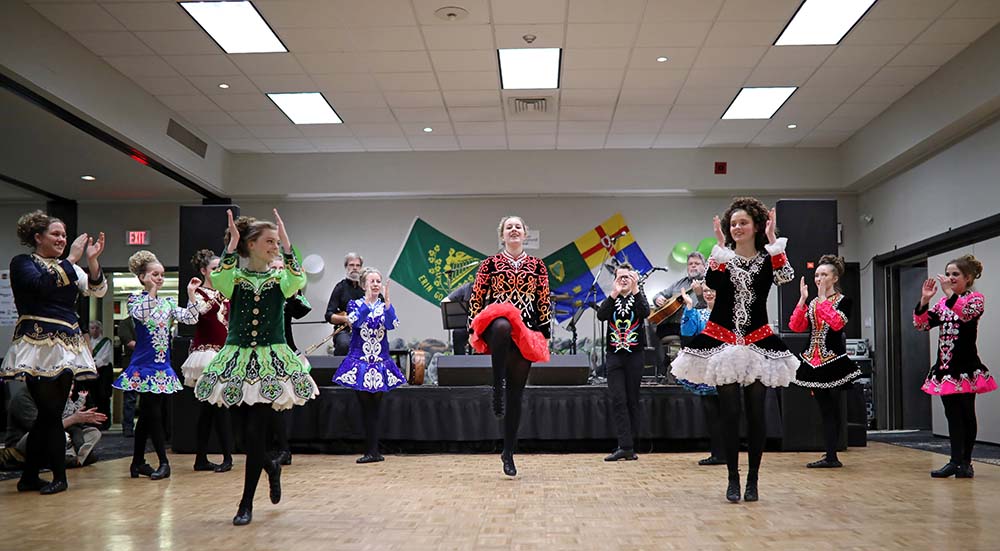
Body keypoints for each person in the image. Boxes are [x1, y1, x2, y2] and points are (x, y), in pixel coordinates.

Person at [195, 209, 319, 526]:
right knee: (243, 437)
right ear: (251, 245)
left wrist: (288, 247)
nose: (274, 247)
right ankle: (270, 466)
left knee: (255, 432)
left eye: (277, 242)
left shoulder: (280, 279)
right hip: (237, 358)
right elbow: (220, 279)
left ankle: (245, 503)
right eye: (270, 241)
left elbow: (298, 280)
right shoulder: (234, 278)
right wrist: (230, 245)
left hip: (269, 361)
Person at [671, 197, 797, 503]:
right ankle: (732, 478)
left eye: (743, 223)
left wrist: (773, 242)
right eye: (733, 224)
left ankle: (753, 479)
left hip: (758, 340)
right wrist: (719, 248)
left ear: (756, 225)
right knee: (729, 414)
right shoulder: (723, 258)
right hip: (723, 339)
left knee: (757, 413)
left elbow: (785, 277)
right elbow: (712, 282)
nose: (737, 228)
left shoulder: (768, 257)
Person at [1, 210, 106, 494]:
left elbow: (96, 290)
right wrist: (71, 259)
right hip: (37, 343)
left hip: (67, 345)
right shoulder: (23, 263)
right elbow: (40, 285)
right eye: (55, 234)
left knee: (51, 413)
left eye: (64, 235)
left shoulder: (69, 267)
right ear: (38, 237)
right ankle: (59, 477)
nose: (62, 239)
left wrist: (92, 261)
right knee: (49, 412)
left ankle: (30, 477)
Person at [468, 215, 551, 477]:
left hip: (525, 329)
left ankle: (508, 452)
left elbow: (543, 299)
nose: (513, 230)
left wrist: (544, 333)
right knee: (503, 323)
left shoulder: (537, 266)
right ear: (502, 235)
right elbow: (477, 296)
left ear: (525, 234)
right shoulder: (490, 264)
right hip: (496, 325)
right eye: (508, 227)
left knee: (516, 395)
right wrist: (472, 328)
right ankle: (497, 385)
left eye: (518, 227)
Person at [113, 250, 201, 481]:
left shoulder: (167, 303)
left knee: (148, 415)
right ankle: (163, 461)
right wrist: (151, 290)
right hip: (144, 366)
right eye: (155, 274)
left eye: (162, 275)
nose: (160, 278)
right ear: (142, 277)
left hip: (162, 366)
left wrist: (191, 294)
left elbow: (191, 318)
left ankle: (137, 463)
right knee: (153, 415)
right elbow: (142, 315)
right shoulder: (135, 300)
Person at [914, 254, 995, 478]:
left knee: (967, 413)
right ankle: (954, 460)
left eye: (955, 274)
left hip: (966, 366)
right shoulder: (943, 304)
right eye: (948, 274)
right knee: (952, 415)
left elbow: (966, 314)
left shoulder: (975, 299)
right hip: (945, 367)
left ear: (967, 278)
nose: (950, 278)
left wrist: (949, 293)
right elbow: (922, 325)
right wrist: (924, 300)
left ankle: (966, 462)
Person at [790, 255, 862, 468]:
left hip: (834, 361)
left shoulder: (844, 301)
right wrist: (803, 300)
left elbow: (837, 323)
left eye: (824, 274)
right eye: (816, 275)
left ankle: (832, 455)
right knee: (824, 409)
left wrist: (822, 299)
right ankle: (830, 454)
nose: (819, 278)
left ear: (835, 278)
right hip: (813, 361)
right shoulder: (813, 303)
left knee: (833, 409)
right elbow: (796, 326)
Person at [332, 267, 405, 463]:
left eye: (378, 281)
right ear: (364, 285)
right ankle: (371, 450)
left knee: (375, 408)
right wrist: (367, 302)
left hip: (380, 362)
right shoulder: (354, 304)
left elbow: (392, 324)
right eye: (372, 281)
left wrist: (388, 304)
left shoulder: (384, 306)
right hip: (361, 363)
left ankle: (374, 451)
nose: (375, 284)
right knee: (365, 408)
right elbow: (355, 322)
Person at [180, 249, 234, 473]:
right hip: (207, 355)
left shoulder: (226, 293)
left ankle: (202, 458)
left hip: (224, 352)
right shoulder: (199, 292)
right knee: (215, 407)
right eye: (214, 268)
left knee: (211, 409)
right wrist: (192, 294)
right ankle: (226, 457)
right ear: (203, 271)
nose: (218, 271)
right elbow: (197, 315)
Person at [597, 264, 649, 462]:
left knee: (632, 399)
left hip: (635, 356)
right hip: (614, 357)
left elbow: (645, 312)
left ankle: (630, 446)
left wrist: (636, 289)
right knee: (618, 399)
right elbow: (601, 315)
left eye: (628, 277)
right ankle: (625, 446)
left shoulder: (638, 297)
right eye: (620, 277)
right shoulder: (612, 299)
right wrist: (614, 292)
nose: (624, 280)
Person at [677, 284, 726, 466]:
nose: (709, 293)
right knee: (711, 412)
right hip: (707, 369)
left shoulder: (729, 314)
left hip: (727, 368)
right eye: (706, 291)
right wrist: (689, 307)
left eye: (713, 290)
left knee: (728, 412)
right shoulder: (698, 314)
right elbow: (687, 336)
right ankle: (718, 453)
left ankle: (726, 452)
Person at [5, 382, 107, 469]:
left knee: (93, 433)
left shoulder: (52, 394)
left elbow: (62, 421)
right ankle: (70, 458)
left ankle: (74, 457)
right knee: (46, 434)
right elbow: (40, 428)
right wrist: (73, 419)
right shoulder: (23, 397)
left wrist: (81, 418)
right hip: (25, 443)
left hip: (57, 435)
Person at [271, 254, 313, 466]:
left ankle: (284, 449)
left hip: (286, 352)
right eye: (275, 268)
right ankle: (272, 446)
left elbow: (302, 311)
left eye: (282, 268)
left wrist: (295, 293)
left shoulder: (288, 294)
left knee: (281, 402)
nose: (279, 271)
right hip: (264, 352)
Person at [652, 251, 707, 339]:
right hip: (668, 325)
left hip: (692, 326)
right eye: (690, 264)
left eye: (697, 263)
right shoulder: (679, 283)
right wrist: (658, 298)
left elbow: (707, 310)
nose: (693, 266)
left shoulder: (708, 284)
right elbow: (659, 295)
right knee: (649, 332)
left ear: (704, 267)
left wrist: (700, 295)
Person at [325, 253, 365, 355]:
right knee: (345, 344)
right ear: (346, 267)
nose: (355, 268)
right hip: (344, 330)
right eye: (351, 265)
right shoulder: (340, 287)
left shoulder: (367, 288)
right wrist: (346, 319)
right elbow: (329, 315)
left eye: (358, 265)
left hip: (365, 330)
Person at [82, 320, 113, 429]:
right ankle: (92, 422)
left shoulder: (106, 342)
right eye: (92, 328)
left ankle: (105, 422)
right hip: (90, 372)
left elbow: (104, 358)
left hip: (103, 372)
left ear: (100, 329)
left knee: (103, 397)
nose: (94, 330)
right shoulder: (86, 342)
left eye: (97, 328)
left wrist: (94, 365)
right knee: (92, 397)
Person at [117, 315, 138, 437]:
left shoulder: (149, 321)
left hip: (146, 363)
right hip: (131, 363)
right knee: (130, 397)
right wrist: (147, 347)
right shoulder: (125, 323)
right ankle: (128, 427)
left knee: (148, 396)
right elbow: (129, 342)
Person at [445, 281, 473, 355]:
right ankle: (460, 360)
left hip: (487, 325)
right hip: (468, 325)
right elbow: (446, 300)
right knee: (458, 333)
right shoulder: (467, 287)